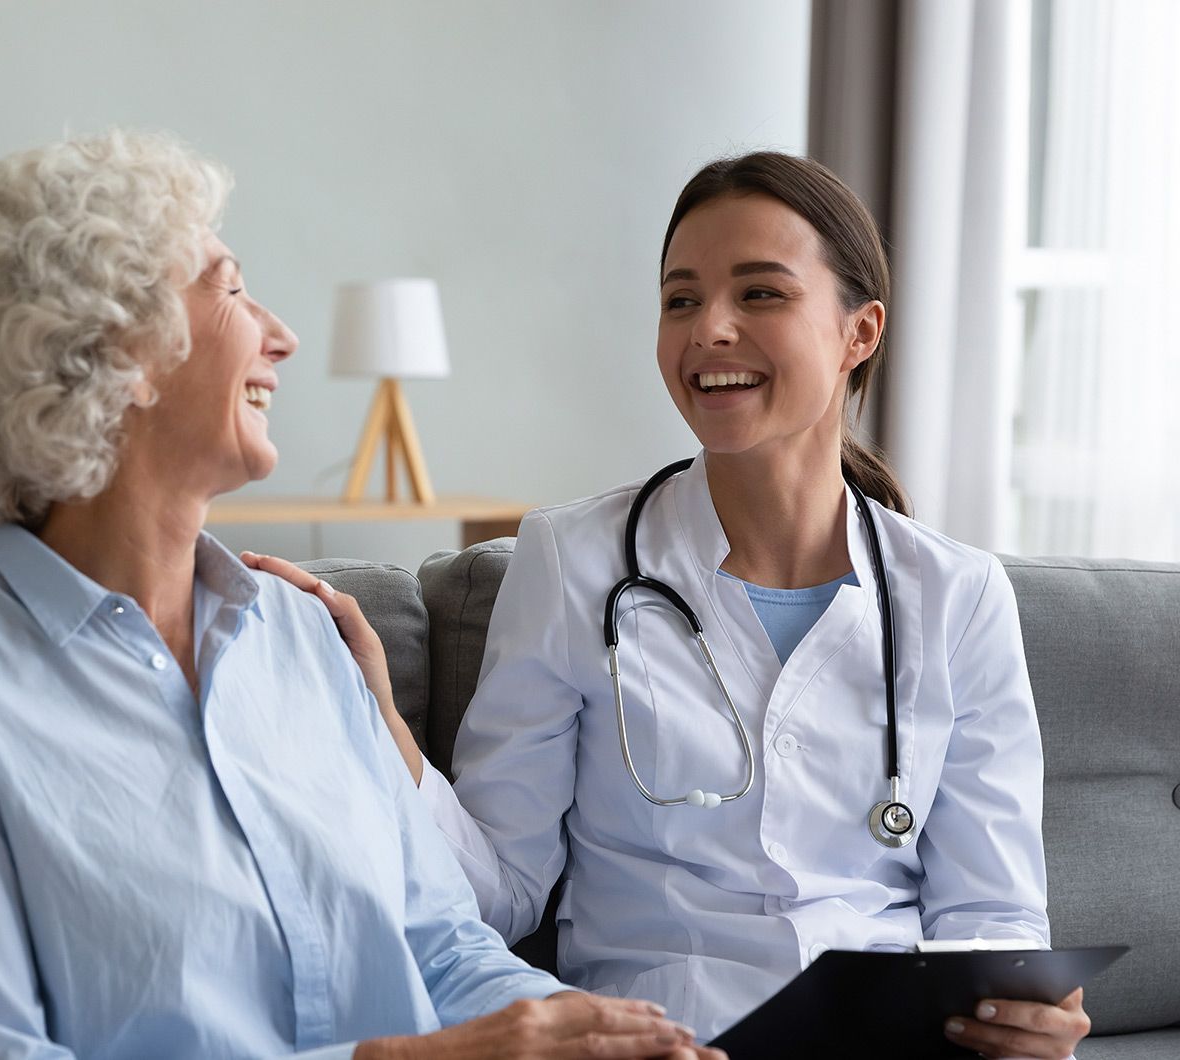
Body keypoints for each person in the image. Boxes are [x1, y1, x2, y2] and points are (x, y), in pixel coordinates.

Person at [0, 129, 721, 1060]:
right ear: (120, 349)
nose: (282, 336)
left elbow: (445, 945)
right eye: (230, 289)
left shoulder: (302, 637)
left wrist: (602, 1036)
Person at [247, 152, 1093, 1058]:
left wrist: (1027, 1019)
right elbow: (498, 890)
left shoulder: (957, 597)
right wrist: (382, 715)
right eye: (681, 300)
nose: (710, 330)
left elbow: (992, 918)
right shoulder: (574, 561)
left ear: (860, 333)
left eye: (761, 294)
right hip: (675, 1041)